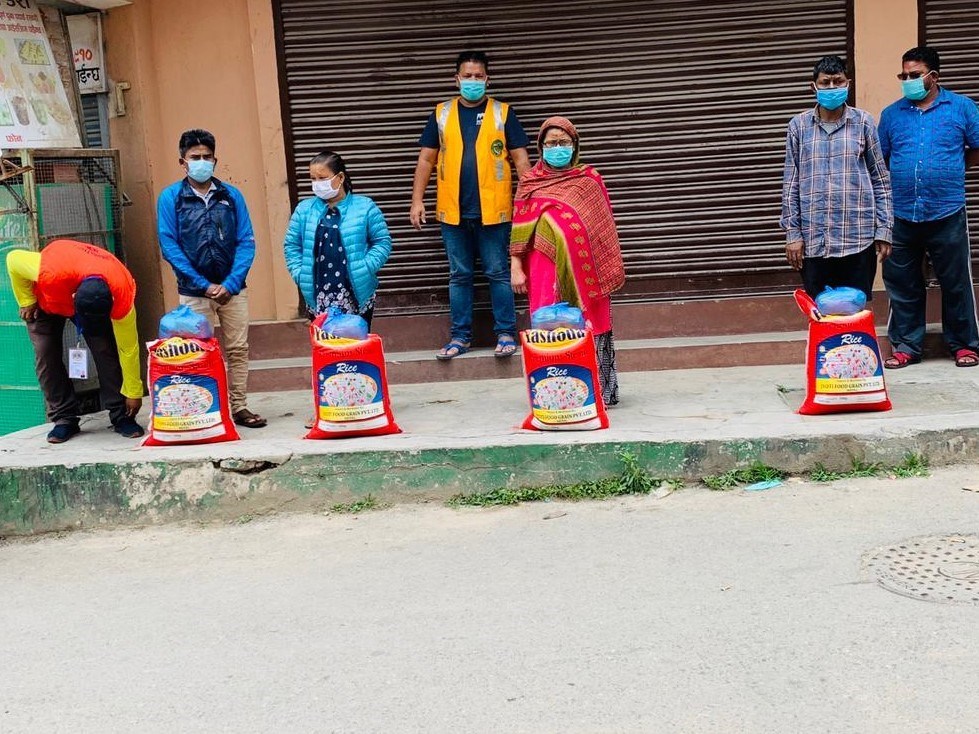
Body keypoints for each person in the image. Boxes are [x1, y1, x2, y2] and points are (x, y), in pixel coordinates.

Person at [410, 50, 531, 360]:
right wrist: (417, 200)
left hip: (495, 210)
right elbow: (426, 159)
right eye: (467, 76)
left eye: (478, 76)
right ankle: (460, 337)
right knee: (459, 276)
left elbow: (521, 160)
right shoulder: (441, 113)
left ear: (487, 79)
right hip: (453, 212)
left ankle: (505, 333)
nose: (473, 81)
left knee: (498, 273)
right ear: (457, 79)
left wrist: (529, 200)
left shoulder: (503, 113)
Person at [510, 116, 626, 406]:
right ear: (541, 147)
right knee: (550, 326)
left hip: (587, 271)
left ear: (574, 145)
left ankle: (597, 391)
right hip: (543, 269)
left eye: (564, 142)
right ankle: (553, 396)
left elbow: (604, 227)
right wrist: (515, 267)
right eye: (551, 143)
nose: (558, 148)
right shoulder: (529, 182)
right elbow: (519, 228)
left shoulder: (589, 179)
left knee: (591, 323)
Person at [877, 46, 979, 369]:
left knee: (956, 282)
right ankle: (906, 346)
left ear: (933, 76)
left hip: (947, 210)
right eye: (903, 75)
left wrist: (952, 169)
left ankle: (964, 345)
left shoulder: (962, 108)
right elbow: (882, 159)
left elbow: (977, 147)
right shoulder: (891, 115)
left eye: (914, 75)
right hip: (902, 213)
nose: (907, 80)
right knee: (902, 282)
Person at [157, 128, 266, 427]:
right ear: (182, 162)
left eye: (207, 157)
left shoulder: (231, 196)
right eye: (195, 157)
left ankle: (239, 407)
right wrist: (203, 285)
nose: (202, 162)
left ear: (215, 160)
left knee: (238, 349)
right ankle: (204, 409)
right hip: (193, 292)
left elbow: (246, 241)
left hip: (234, 290)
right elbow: (169, 245)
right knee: (197, 351)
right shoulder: (171, 198)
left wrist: (230, 284)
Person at [5, 239, 144, 443]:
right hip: (47, 297)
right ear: (74, 298)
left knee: (105, 348)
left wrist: (133, 392)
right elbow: (13, 259)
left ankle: (121, 414)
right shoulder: (50, 271)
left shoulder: (122, 294)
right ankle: (64, 418)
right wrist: (27, 300)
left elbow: (129, 349)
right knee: (45, 352)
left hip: (86, 294)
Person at [780, 55, 893, 302]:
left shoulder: (863, 122)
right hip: (814, 241)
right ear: (814, 87)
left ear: (847, 83)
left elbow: (880, 179)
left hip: (857, 239)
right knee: (821, 310)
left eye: (838, 81)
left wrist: (884, 230)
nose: (832, 87)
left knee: (855, 309)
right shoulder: (798, 126)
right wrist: (793, 234)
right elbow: (791, 183)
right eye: (825, 82)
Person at [283, 150, 393, 327]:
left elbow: (382, 242)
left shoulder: (365, 207)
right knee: (324, 343)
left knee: (356, 341)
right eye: (313, 179)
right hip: (318, 295)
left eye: (322, 178)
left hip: (355, 292)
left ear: (340, 177)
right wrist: (300, 273)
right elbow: (291, 245)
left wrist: (366, 267)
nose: (317, 184)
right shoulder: (304, 210)